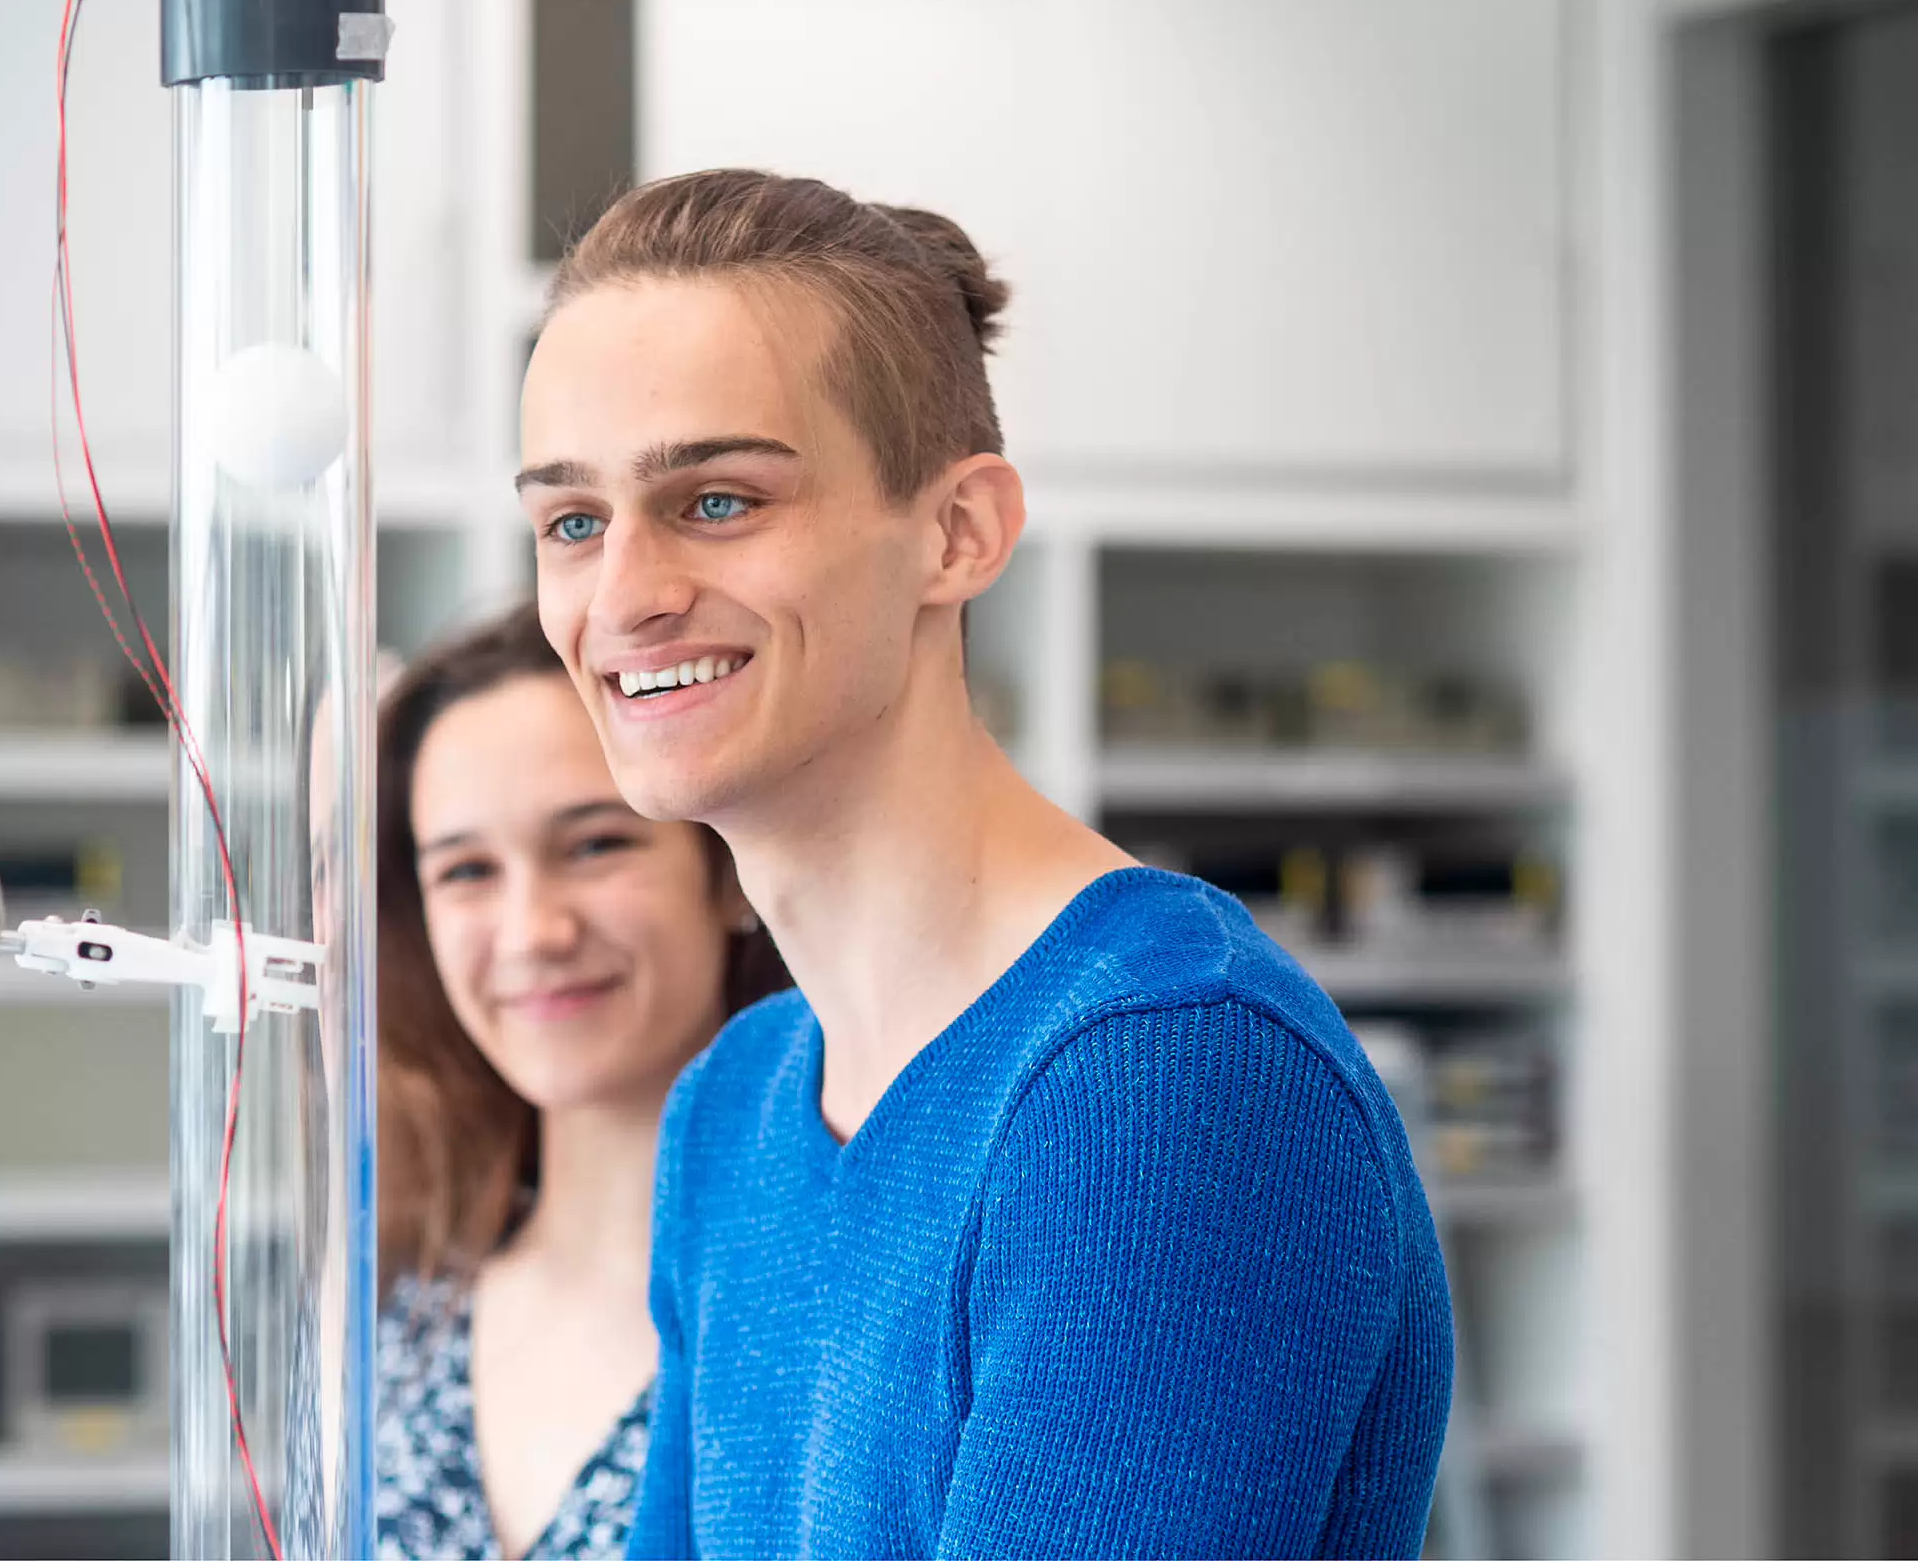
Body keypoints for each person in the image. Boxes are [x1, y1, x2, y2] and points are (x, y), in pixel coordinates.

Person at [514, 169, 1455, 1560]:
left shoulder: (1164, 1080)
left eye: (716, 501)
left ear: (958, 532)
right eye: (573, 522)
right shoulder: (736, 1108)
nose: (626, 594)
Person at [374, 603, 788, 1561]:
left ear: (727, 874)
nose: (531, 933)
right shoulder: (407, 1315)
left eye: (596, 844)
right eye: (467, 871)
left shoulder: (823, 1314)